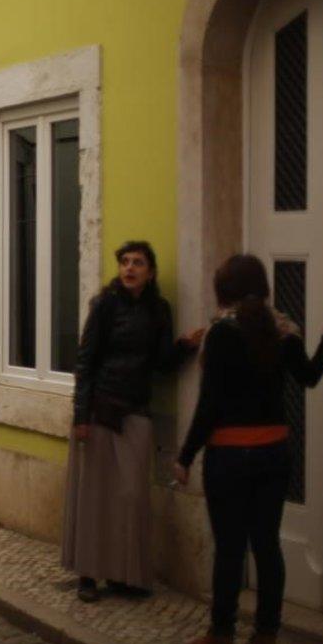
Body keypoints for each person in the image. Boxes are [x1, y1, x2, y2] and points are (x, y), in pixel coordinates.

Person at [173, 254, 323, 644]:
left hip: (229, 456)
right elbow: (309, 377)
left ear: (223, 292)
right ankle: (266, 635)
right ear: (263, 287)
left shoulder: (220, 335)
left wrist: (185, 456)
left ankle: (222, 635)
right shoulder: (282, 329)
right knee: (267, 544)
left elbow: (209, 404)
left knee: (230, 547)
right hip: (273, 452)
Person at [63, 240, 205, 603]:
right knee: (95, 496)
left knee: (130, 496)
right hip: (100, 410)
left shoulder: (159, 310)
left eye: (137, 263)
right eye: (125, 262)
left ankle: (123, 575)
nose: (129, 268)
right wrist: (81, 415)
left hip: (136, 410)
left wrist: (185, 348)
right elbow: (85, 360)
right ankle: (89, 575)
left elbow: (159, 364)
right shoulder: (104, 305)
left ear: (151, 272)